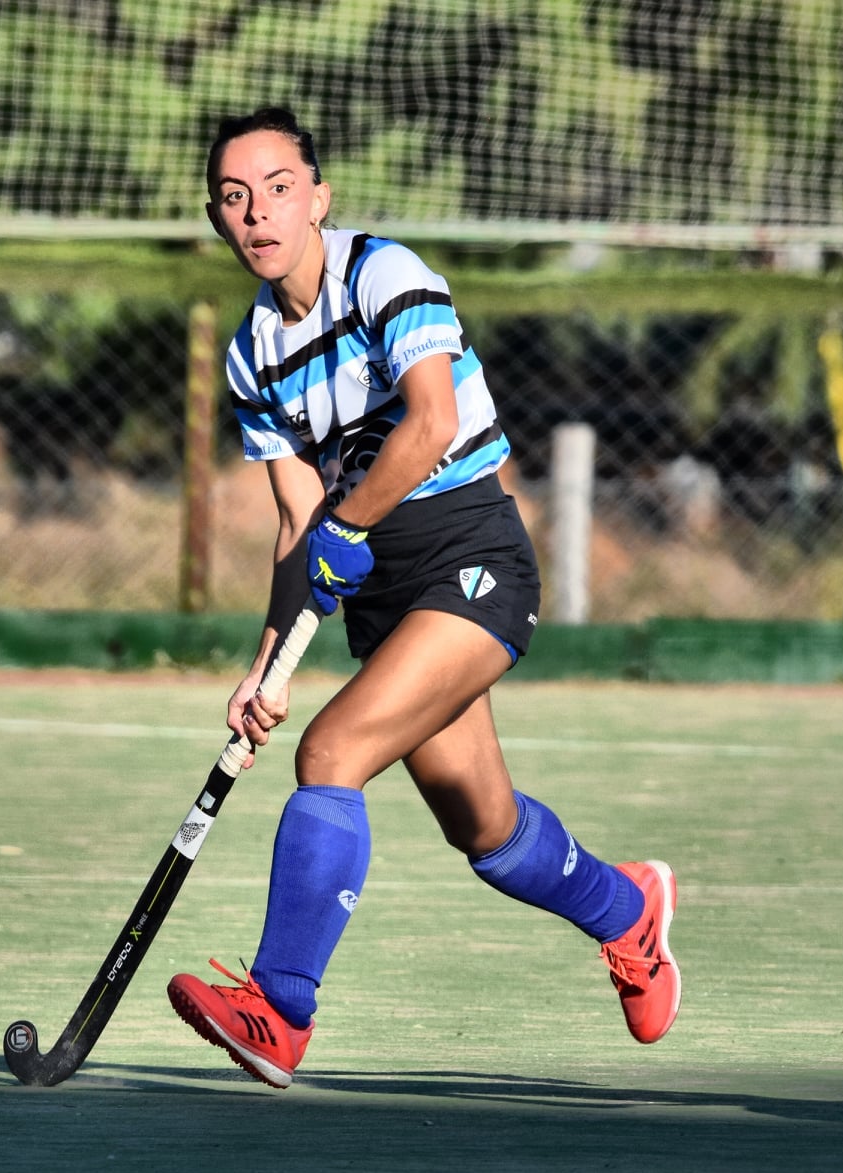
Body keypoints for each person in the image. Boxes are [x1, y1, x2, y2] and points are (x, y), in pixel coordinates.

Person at [166, 106, 680, 1089]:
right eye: (234, 199)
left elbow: (432, 423)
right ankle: (627, 911)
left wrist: (346, 527)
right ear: (218, 220)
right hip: (377, 587)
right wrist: (267, 662)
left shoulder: (383, 275)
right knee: (484, 831)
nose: (258, 213)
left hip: (471, 554)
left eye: (277, 189)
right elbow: (295, 522)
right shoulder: (250, 356)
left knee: (331, 752)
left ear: (317, 196)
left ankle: (280, 1007)